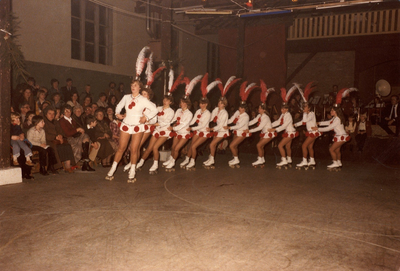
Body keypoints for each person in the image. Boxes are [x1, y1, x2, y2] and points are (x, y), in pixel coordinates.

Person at [105, 79, 157, 182]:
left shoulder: (143, 99)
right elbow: (119, 106)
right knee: (121, 148)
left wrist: (146, 117)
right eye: (132, 85)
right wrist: (117, 113)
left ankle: (132, 171)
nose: (133, 87)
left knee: (134, 149)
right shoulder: (126, 97)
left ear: (139, 88)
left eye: (135, 85)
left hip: (138, 126)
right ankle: (112, 170)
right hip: (126, 124)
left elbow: (154, 109)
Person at [203, 76, 240, 168]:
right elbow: (211, 118)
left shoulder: (225, 113)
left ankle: (212, 160)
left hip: (222, 131)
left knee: (212, 144)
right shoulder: (216, 109)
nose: (219, 103)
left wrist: (212, 128)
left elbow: (221, 125)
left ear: (224, 104)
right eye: (219, 102)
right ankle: (211, 158)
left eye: (221, 102)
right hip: (217, 129)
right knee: (213, 145)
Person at [315, 88, 356, 170]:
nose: (331, 112)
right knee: (337, 150)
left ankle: (335, 163)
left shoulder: (337, 119)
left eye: (332, 111)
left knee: (331, 149)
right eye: (331, 110)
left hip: (341, 136)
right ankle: (339, 163)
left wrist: (317, 129)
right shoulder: (335, 118)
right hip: (340, 136)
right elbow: (328, 122)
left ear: (336, 111)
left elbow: (329, 128)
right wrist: (319, 123)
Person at [225, 81, 257, 168]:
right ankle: (235, 160)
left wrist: (229, 127)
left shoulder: (246, 116)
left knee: (231, 145)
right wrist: (225, 122)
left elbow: (240, 126)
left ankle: (236, 159)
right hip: (236, 131)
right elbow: (232, 119)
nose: (240, 109)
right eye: (240, 107)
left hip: (242, 132)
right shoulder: (237, 112)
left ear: (245, 109)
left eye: (242, 108)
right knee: (234, 146)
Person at [244, 81, 275, 168]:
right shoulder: (259, 116)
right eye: (259, 108)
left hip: (269, 134)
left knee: (259, 145)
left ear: (264, 110)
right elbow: (253, 122)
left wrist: (249, 130)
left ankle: (260, 160)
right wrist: (245, 124)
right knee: (261, 146)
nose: (258, 109)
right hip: (264, 133)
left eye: (260, 108)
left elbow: (259, 127)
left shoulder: (265, 117)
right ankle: (261, 161)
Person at [269, 86, 299, 169]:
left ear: (286, 109)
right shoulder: (283, 114)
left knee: (280, 146)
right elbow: (278, 122)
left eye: (283, 109)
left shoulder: (288, 115)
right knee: (287, 147)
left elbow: (284, 125)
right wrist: (270, 125)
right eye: (281, 109)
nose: (281, 110)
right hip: (288, 132)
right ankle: (289, 160)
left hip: (290, 132)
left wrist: (275, 129)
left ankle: (284, 160)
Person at [293, 82, 321, 169]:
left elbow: (305, 120)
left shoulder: (311, 114)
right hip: (311, 131)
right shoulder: (308, 114)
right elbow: (303, 122)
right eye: (303, 107)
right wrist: (295, 124)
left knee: (304, 145)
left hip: (313, 132)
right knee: (309, 146)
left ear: (309, 108)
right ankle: (312, 161)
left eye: (304, 107)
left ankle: (304, 161)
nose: (303, 109)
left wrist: (304, 113)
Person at [58, 105, 94, 171]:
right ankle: (86, 162)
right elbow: (67, 133)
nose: (68, 113)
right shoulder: (62, 121)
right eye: (66, 111)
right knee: (84, 140)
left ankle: (85, 162)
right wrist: (77, 130)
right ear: (63, 112)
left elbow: (77, 131)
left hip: (75, 138)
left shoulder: (72, 120)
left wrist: (80, 131)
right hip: (69, 139)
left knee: (85, 136)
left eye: (69, 111)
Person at [43, 107, 75, 173]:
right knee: (54, 147)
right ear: (46, 114)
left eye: (53, 114)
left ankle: (68, 166)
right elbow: (44, 133)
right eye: (50, 114)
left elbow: (61, 130)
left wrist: (60, 136)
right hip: (48, 140)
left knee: (67, 145)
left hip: (57, 139)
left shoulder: (55, 122)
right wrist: (55, 137)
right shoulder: (43, 122)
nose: (52, 115)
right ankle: (56, 166)